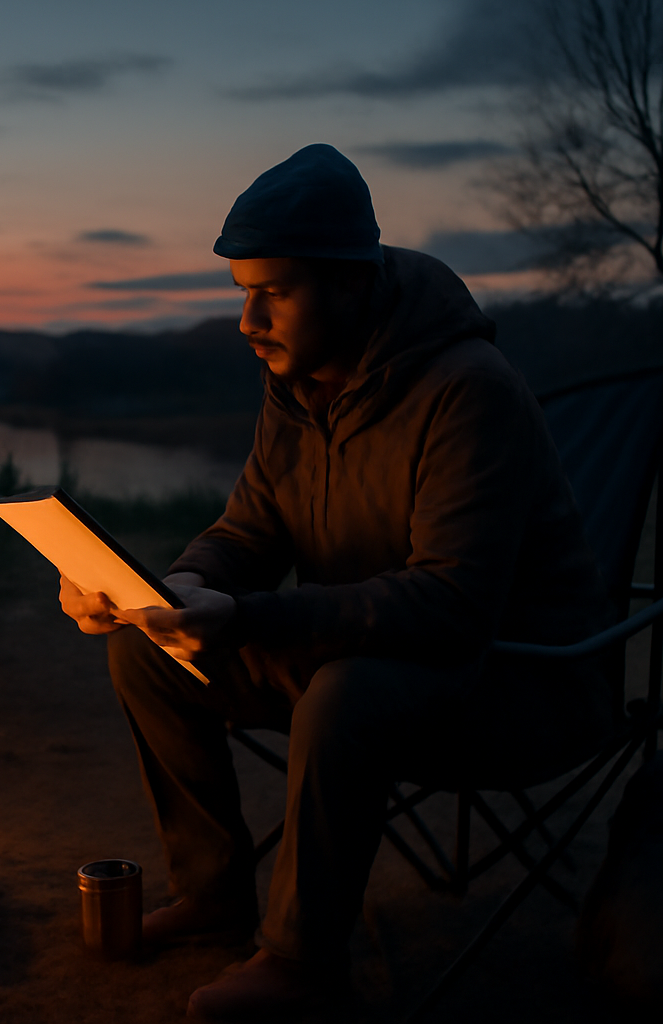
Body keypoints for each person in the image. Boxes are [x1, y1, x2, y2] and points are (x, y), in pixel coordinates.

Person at [58, 144, 613, 1022]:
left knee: (343, 697)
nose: (248, 319)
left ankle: (301, 962)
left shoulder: (469, 393)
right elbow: (249, 529)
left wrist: (247, 617)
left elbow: (452, 607)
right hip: (361, 656)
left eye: (273, 290)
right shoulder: (298, 386)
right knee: (148, 658)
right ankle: (214, 895)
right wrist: (168, 591)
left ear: (352, 283)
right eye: (242, 290)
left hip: (519, 678)